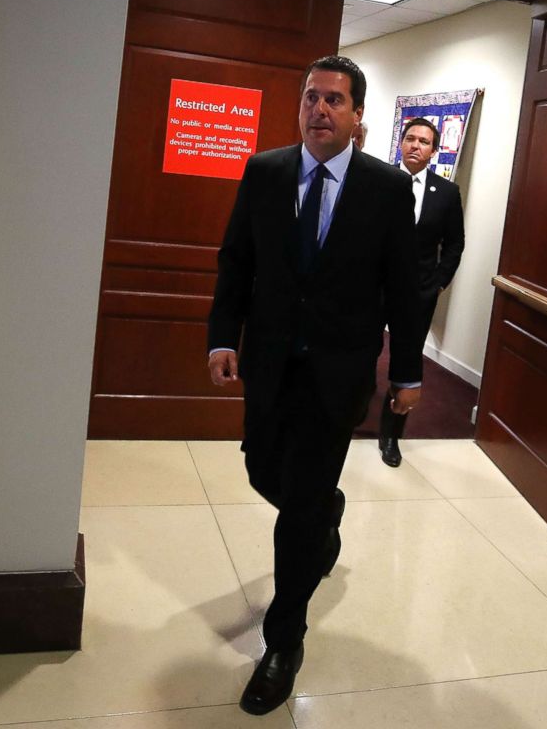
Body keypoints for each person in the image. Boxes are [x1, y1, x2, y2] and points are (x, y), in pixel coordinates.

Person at [207, 55, 422, 716]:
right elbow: (236, 260)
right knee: (261, 469)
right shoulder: (266, 171)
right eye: (310, 98)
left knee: (295, 515)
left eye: (334, 100)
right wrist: (222, 336)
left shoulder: (387, 189)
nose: (319, 110)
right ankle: (326, 512)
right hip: (270, 364)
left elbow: (404, 289)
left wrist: (406, 374)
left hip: (337, 373)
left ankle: (283, 643)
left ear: (358, 116)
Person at [378, 117, 465, 467]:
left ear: (434, 150)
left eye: (424, 142)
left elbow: (455, 245)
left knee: (407, 360)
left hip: (418, 293)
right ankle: (349, 410)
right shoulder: (377, 181)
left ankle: (391, 435)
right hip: (374, 287)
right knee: (361, 349)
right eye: (410, 139)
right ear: (401, 143)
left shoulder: (446, 193)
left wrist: (439, 282)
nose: (416, 145)